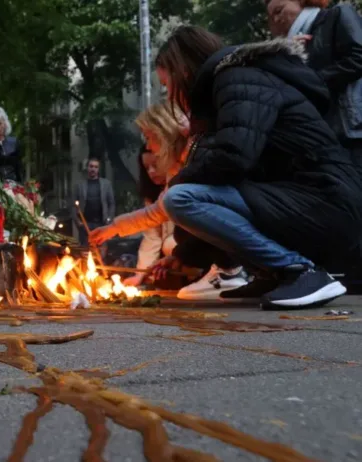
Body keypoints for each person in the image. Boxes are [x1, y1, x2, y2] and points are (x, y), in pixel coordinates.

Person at [149, 25, 362, 309]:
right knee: (190, 195)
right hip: (313, 199)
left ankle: (298, 271)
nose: (170, 93)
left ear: (183, 72)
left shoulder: (237, 79)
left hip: (326, 199)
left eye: (167, 84)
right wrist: (184, 254)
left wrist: (178, 182)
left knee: (181, 198)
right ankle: (274, 274)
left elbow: (234, 156)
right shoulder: (234, 83)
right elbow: (235, 195)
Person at [90, 101, 248, 299]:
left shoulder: (197, 154)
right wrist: (114, 228)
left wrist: (178, 254)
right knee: (179, 234)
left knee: (180, 229)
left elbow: (172, 210)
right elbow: (157, 213)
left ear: (162, 131)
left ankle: (228, 270)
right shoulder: (180, 162)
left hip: (245, 222)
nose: (147, 145)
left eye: (148, 137)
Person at [266, 0, 362, 156]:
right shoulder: (290, 46)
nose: (276, 19)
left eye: (279, 11)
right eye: (271, 17)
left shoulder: (337, 14)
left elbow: (358, 57)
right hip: (321, 135)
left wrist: (312, 80)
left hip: (351, 127)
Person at [71, 158, 115, 247]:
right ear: (87, 168)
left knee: (101, 251)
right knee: (85, 252)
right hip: (85, 224)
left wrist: (109, 219)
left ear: (98, 169)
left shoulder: (106, 184)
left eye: (96, 167)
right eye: (91, 166)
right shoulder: (79, 185)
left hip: (102, 224)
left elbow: (111, 203)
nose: (93, 169)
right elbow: (72, 205)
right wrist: (78, 222)